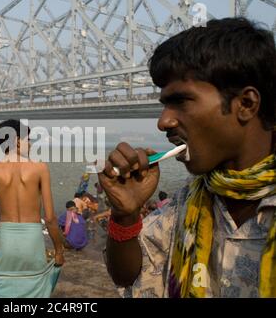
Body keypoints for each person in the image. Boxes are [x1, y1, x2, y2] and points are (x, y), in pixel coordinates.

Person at [99, 18, 276, 298]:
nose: (163, 122)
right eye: (165, 105)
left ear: (246, 104)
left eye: (180, 101)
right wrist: (125, 214)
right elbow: (127, 275)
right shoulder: (186, 204)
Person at [0, 119, 64, 298]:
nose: (30, 144)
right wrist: (59, 251)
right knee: (35, 289)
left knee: (5, 289)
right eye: (27, 139)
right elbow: (50, 218)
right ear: (16, 141)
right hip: (32, 240)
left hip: (6, 239)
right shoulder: (40, 169)